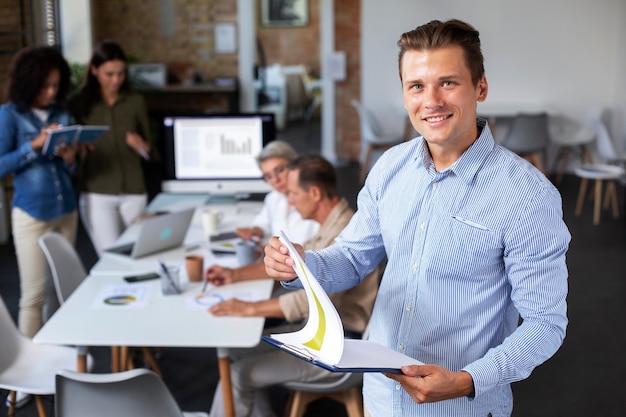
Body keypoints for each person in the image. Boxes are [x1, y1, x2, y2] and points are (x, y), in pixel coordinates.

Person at [264, 19, 571, 417]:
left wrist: (467, 380)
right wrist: (301, 267)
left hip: (461, 406)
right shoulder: (389, 167)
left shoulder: (527, 195)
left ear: (480, 87)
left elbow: (546, 324)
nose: (431, 101)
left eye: (448, 83)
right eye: (417, 86)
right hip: (380, 396)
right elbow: (354, 258)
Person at [206, 154, 380, 417]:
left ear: (314, 193)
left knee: (237, 374)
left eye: (293, 193)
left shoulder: (343, 232)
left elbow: (305, 301)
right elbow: (290, 265)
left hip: (341, 346)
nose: (289, 201)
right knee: (237, 353)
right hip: (320, 333)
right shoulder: (330, 226)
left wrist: (250, 309)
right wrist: (234, 274)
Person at [0, 46, 78, 339]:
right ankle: (26, 376)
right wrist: (33, 146)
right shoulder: (9, 116)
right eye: (45, 85)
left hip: (66, 211)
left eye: (56, 85)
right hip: (31, 214)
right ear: (28, 83)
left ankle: (56, 358)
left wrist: (70, 159)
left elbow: (69, 170)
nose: (50, 92)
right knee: (34, 295)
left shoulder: (62, 112)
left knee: (62, 291)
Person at [68, 40, 156, 255]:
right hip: (98, 192)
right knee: (110, 256)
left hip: (134, 191)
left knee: (141, 253)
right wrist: (77, 148)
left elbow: (150, 149)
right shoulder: (78, 103)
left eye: (121, 73)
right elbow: (67, 146)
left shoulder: (135, 101)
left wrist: (141, 146)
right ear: (94, 70)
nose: (116, 80)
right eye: (109, 74)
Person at [235, 140, 318, 244]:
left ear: (295, 165)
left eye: (280, 170)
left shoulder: (312, 199)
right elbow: (263, 223)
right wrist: (254, 231)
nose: (275, 180)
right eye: (268, 176)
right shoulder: (273, 198)